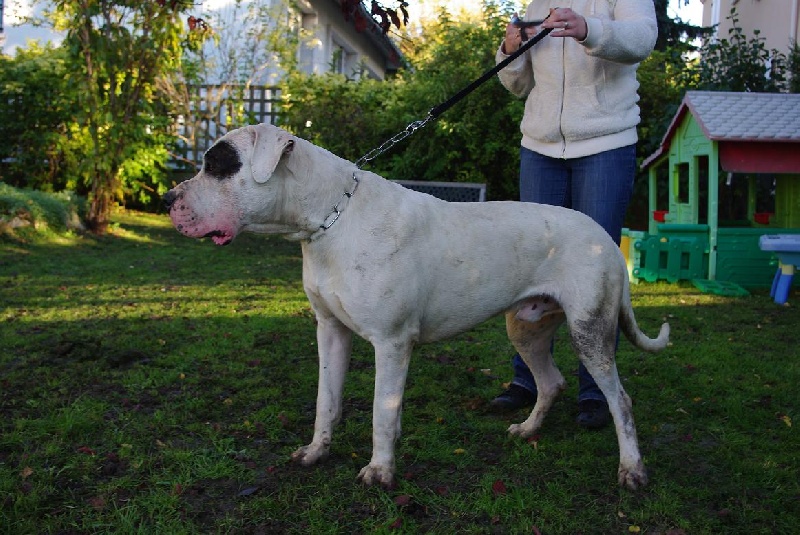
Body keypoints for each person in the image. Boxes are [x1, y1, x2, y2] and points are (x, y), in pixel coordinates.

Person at [489, 2, 657, 428]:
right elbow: (517, 84)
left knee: (594, 270)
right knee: (530, 268)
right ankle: (527, 380)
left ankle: (595, 391)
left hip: (605, 145)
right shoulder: (537, 4)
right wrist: (509, 49)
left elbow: (642, 39)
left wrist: (589, 28)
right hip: (540, 149)